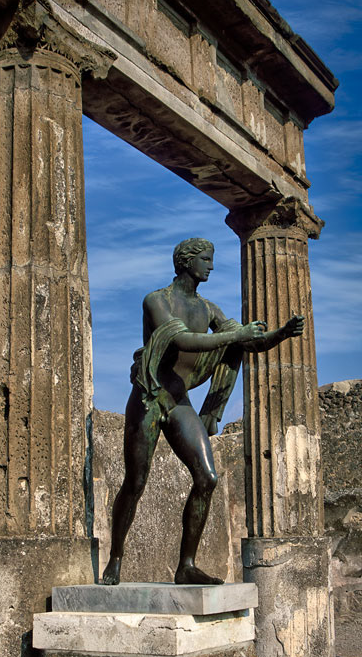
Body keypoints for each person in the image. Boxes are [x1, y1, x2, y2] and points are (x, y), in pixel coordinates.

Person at [102, 237, 304, 586]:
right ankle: (115, 558)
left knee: (206, 478)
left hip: (179, 400)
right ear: (186, 261)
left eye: (211, 260)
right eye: (206, 259)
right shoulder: (157, 300)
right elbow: (182, 341)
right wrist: (235, 335)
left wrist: (280, 334)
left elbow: (245, 342)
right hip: (150, 398)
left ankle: (186, 565)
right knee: (135, 483)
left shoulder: (209, 309)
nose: (211, 265)